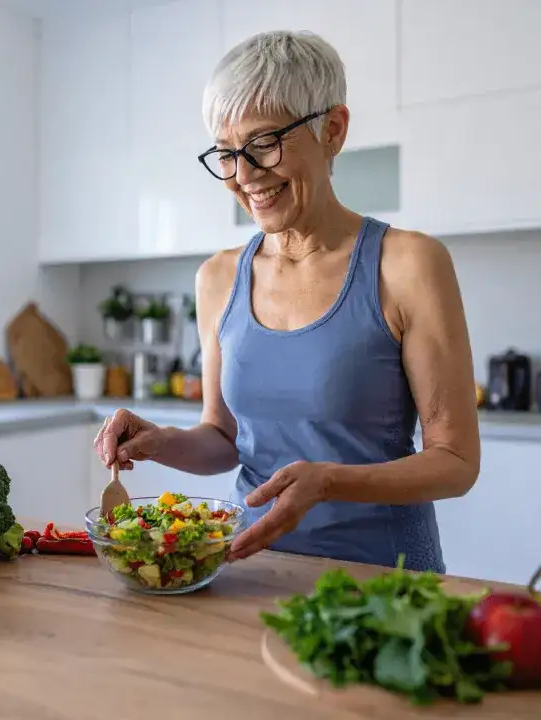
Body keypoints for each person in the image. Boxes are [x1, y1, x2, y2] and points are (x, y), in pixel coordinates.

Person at [93, 30, 480, 572]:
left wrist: (329, 481)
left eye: (264, 143)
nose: (244, 175)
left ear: (334, 130)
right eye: (226, 153)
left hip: (383, 580)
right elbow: (224, 439)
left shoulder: (408, 264)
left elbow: (456, 462)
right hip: (246, 572)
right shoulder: (218, 277)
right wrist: (160, 443)